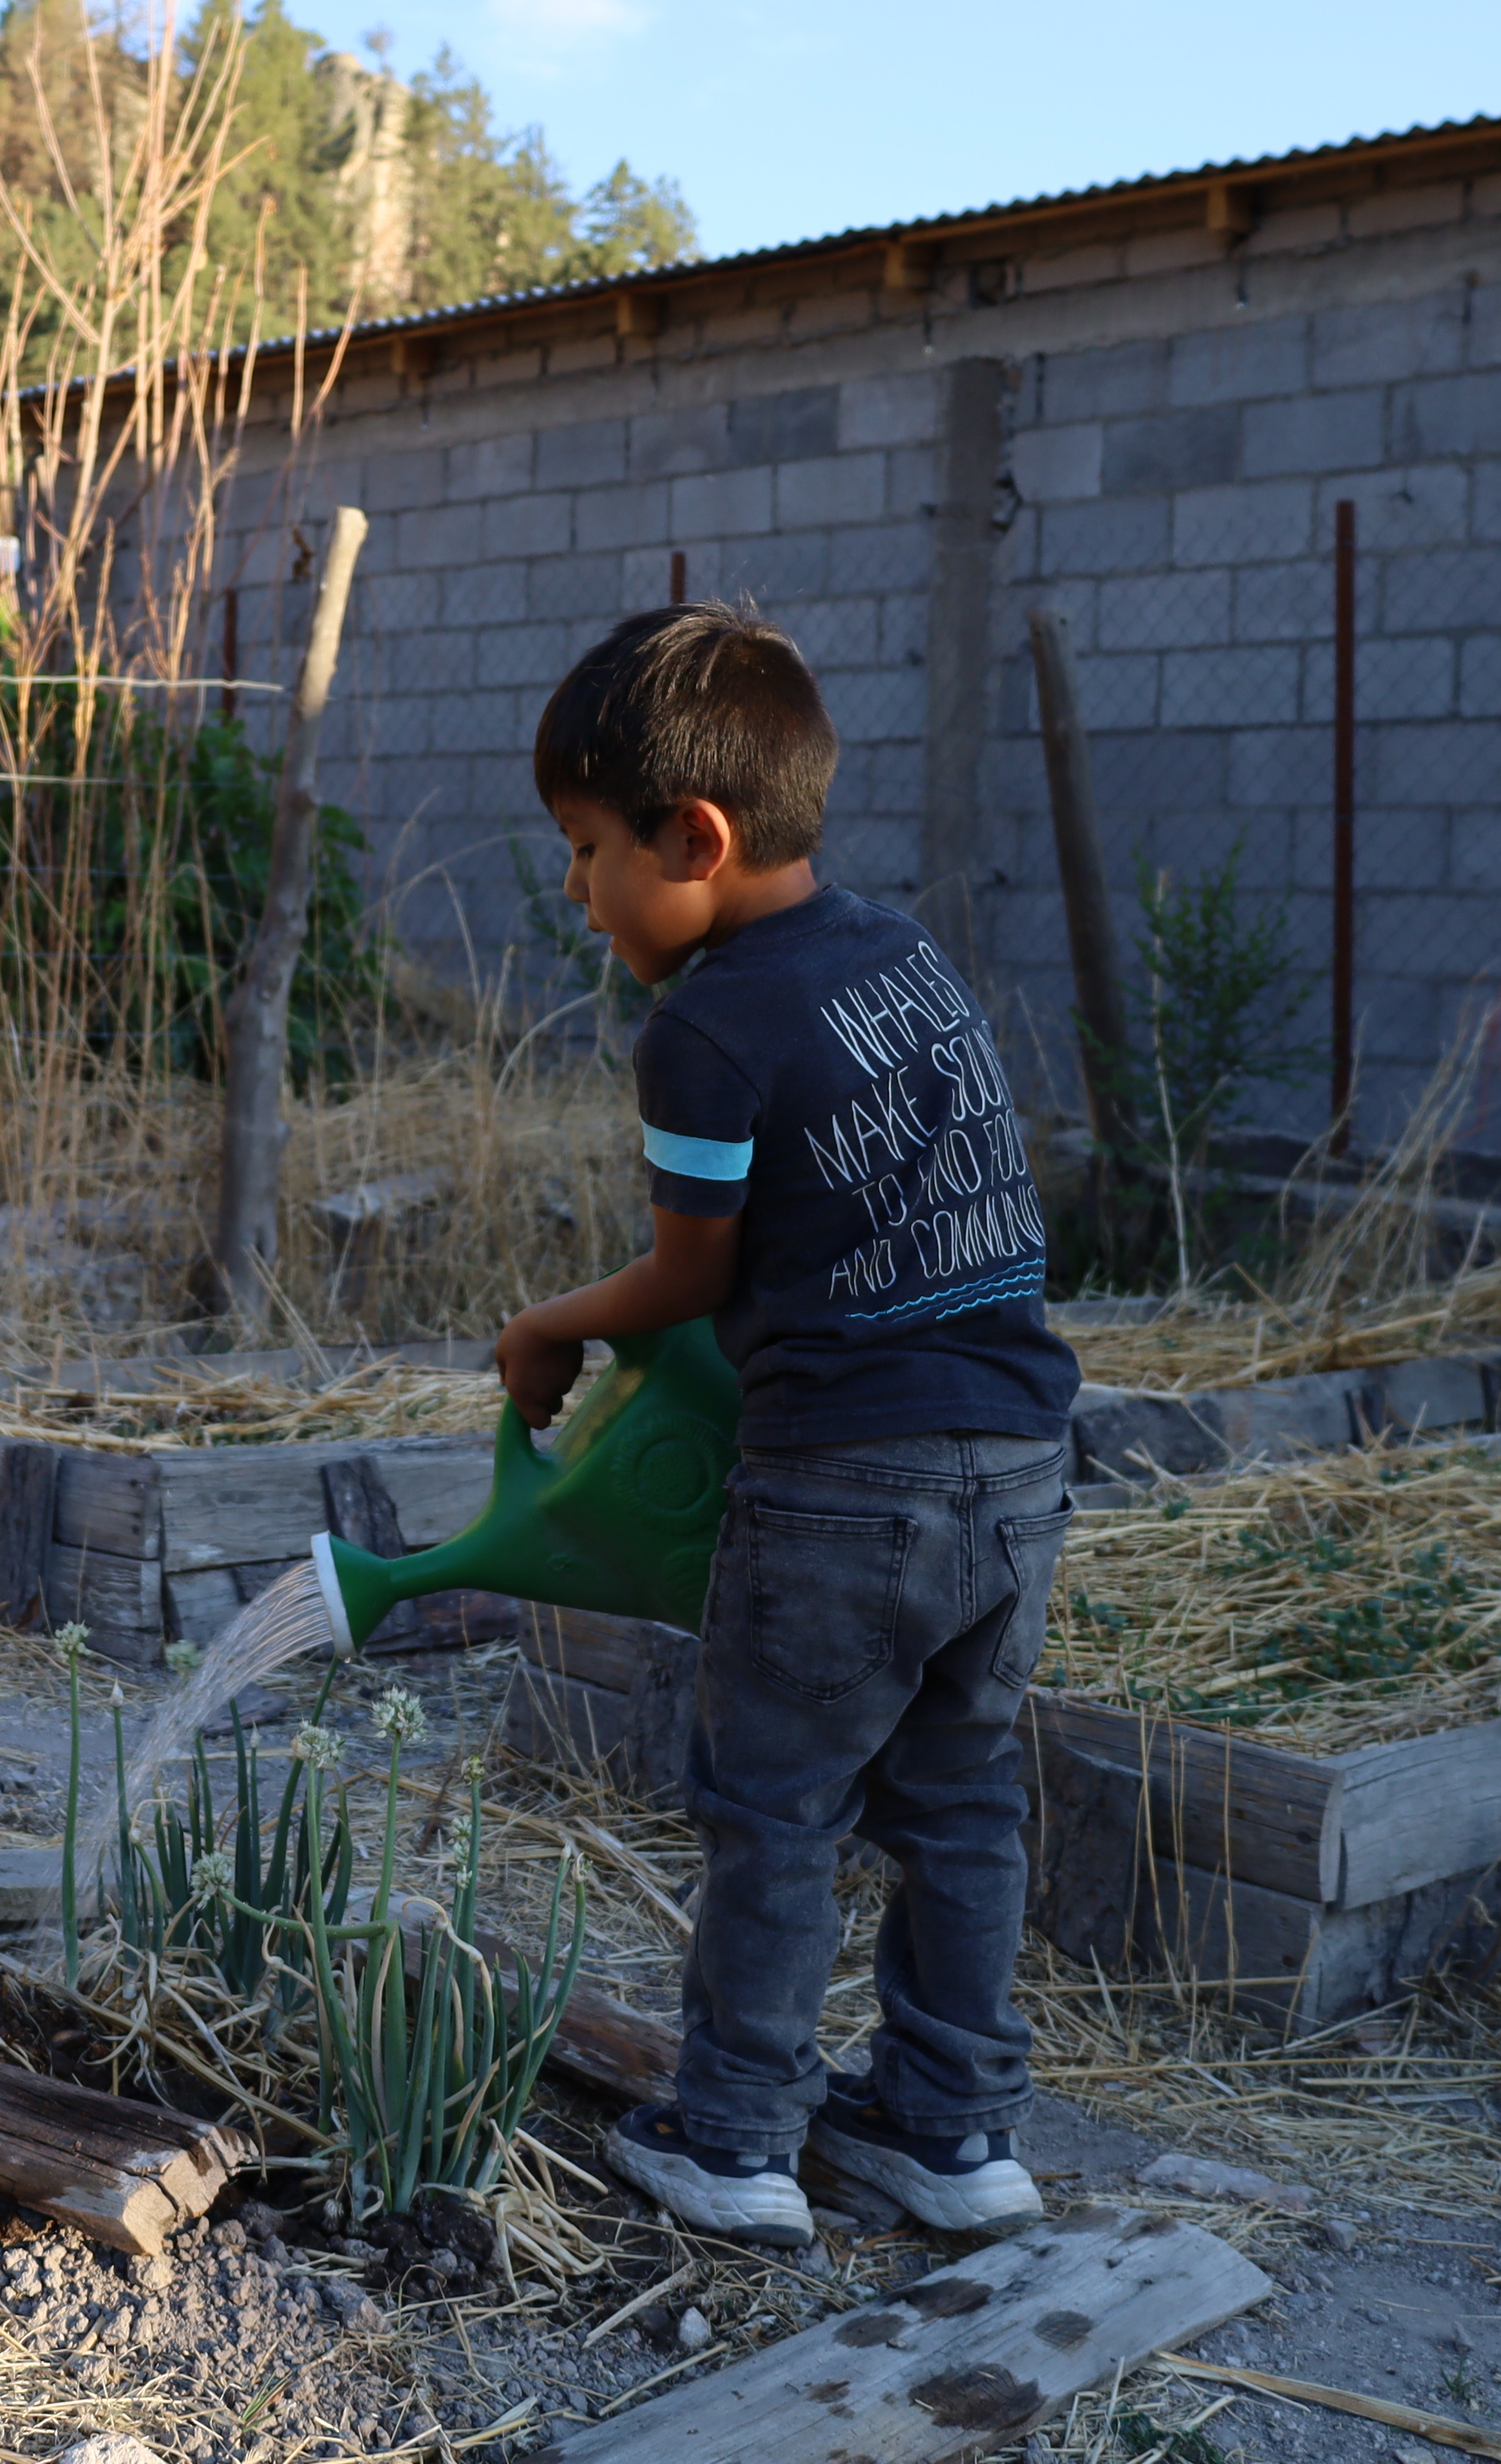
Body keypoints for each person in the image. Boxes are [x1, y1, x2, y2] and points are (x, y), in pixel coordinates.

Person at [494, 601, 1081, 2248]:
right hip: (1021, 1460)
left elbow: (694, 1270)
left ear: (697, 835)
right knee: (961, 1806)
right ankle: (953, 2135)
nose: (576, 887)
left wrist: (548, 1328)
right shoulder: (905, 954)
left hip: (845, 1480)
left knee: (777, 1810)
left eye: (589, 847)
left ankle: (740, 2136)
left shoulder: (705, 1026)